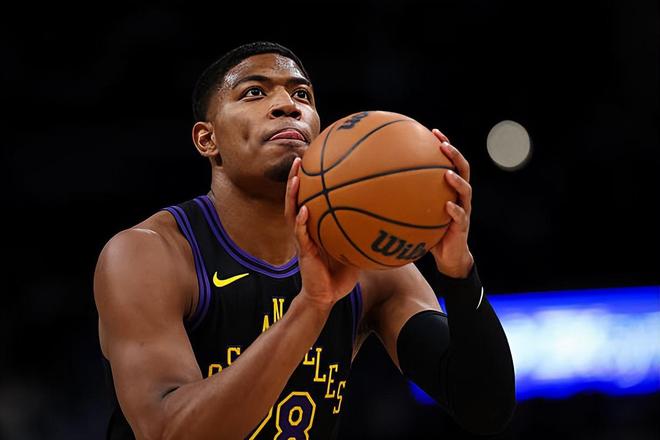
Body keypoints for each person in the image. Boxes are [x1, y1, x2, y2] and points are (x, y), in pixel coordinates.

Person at [93, 41, 515, 440]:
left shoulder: (367, 263)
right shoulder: (149, 253)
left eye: (302, 95)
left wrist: (459, 272)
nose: (287, 105)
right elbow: (168, 432)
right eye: (254, 92)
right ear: (208, 139)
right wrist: (311, 307)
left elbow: (484, 408)